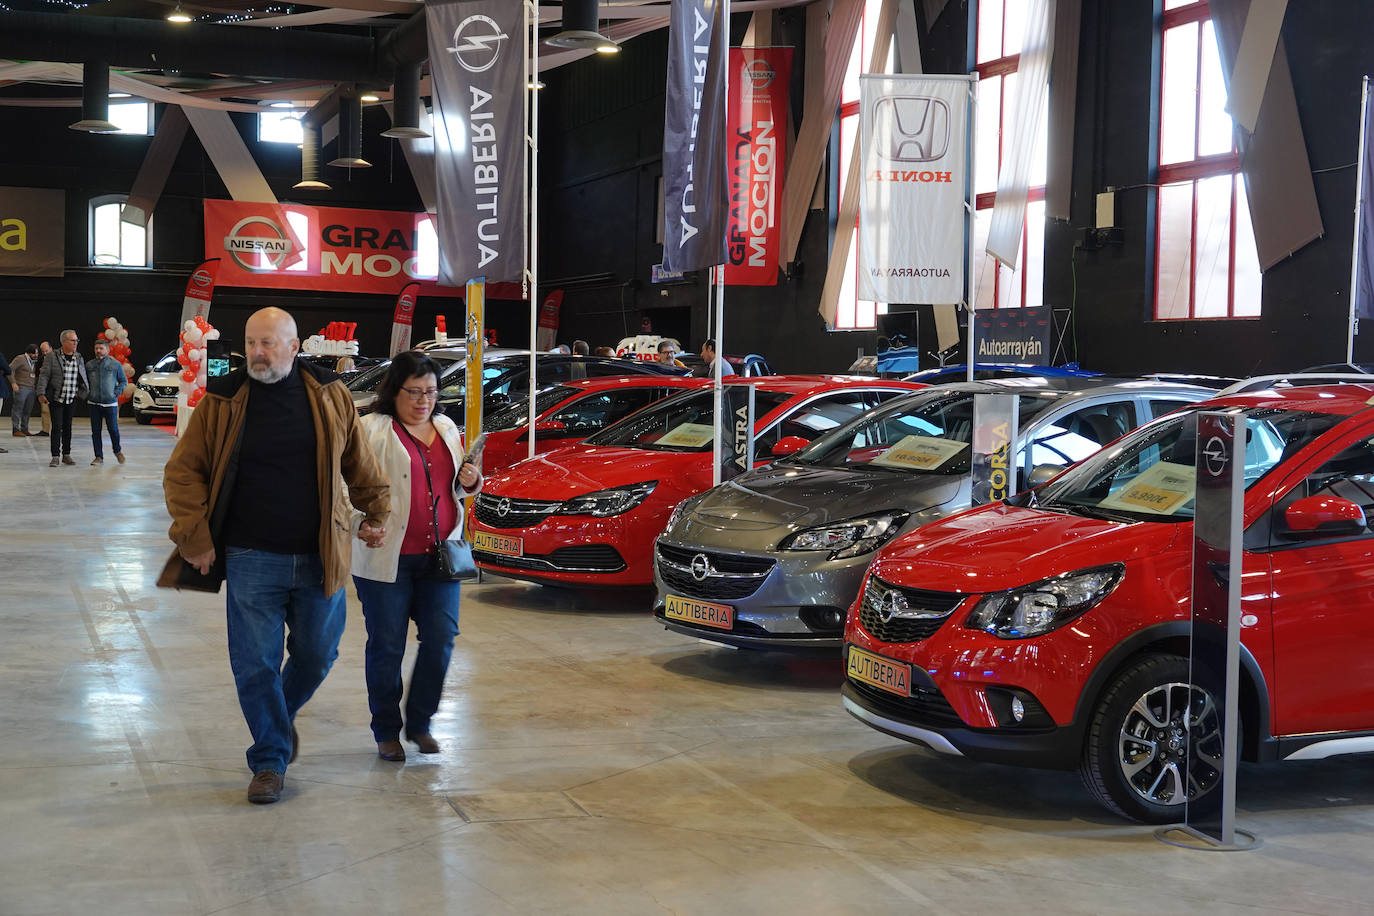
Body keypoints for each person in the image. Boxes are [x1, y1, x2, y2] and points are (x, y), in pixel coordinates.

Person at [162, 307, 391, 805]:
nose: (258, 354)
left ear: (294, 347)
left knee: (317, 654)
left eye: (269, 344)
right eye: (251, 343)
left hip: (319, 553)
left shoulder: (330, 396)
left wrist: (376, 511)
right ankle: (269, 759)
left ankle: (277, 725)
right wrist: (194, 537)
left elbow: (360, 462)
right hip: (249, 556)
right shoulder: (222, 401)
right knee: (254, 664)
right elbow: (183, 473)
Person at [351, 351, 482, 762]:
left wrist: (471, 481)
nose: (424, 400)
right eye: (414, 392)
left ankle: (421, 722)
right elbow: (343, 485)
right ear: (395, 390)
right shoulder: (371, 429)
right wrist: (359, 521)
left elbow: (454, 487)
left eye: (431, 391)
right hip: (386, 559)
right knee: (387, 645)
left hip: (440, 556)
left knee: (441, 638)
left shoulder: (445, 427)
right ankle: (386, 730)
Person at [37, 330, 88, 467]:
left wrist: (81, 392)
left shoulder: (78, 357)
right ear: (64, 342)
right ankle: (55, 456)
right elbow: (45, 375)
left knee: (68, 427)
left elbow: (83, 376)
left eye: (76, 340)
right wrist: (41, 392)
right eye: (73, 340)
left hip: (71, 398)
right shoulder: (52, 356)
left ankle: (66, 454)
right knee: (57, 427)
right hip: (57, 398)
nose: (75, 343)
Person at [86, 338, 127, 465]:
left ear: (107, 350)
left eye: (101, 348)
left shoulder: (115, 365)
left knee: (113, 429)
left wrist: (116, 393)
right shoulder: (89, 365)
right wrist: (87, 394)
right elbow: (84, 382)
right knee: (95, 431)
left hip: (110, 404)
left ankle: (117, 451)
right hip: (94, 403)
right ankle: (98, 456)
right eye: (96, 348)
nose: (98, 351)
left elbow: (123, 381)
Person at [10, 344, 38, 437]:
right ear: (29, 353)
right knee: (18, 409)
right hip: (21, 388)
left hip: (31, 388)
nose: (36, 356)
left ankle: (24, 429)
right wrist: (13, 383)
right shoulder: (20, 359)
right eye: (35, 354)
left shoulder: (34, 360)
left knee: (27, 410)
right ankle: (15, 429)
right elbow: (10, 370)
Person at [33, 340, 51, 437]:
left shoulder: (57, 358)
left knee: (58, 411)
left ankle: (60, 429)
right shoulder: (40, 360)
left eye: (46, 351)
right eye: (43, 351)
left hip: (55, 388)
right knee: (45, 410)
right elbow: (36, 375)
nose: (44, 353)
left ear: (51, 349)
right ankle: (45, 430)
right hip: (45, 388)